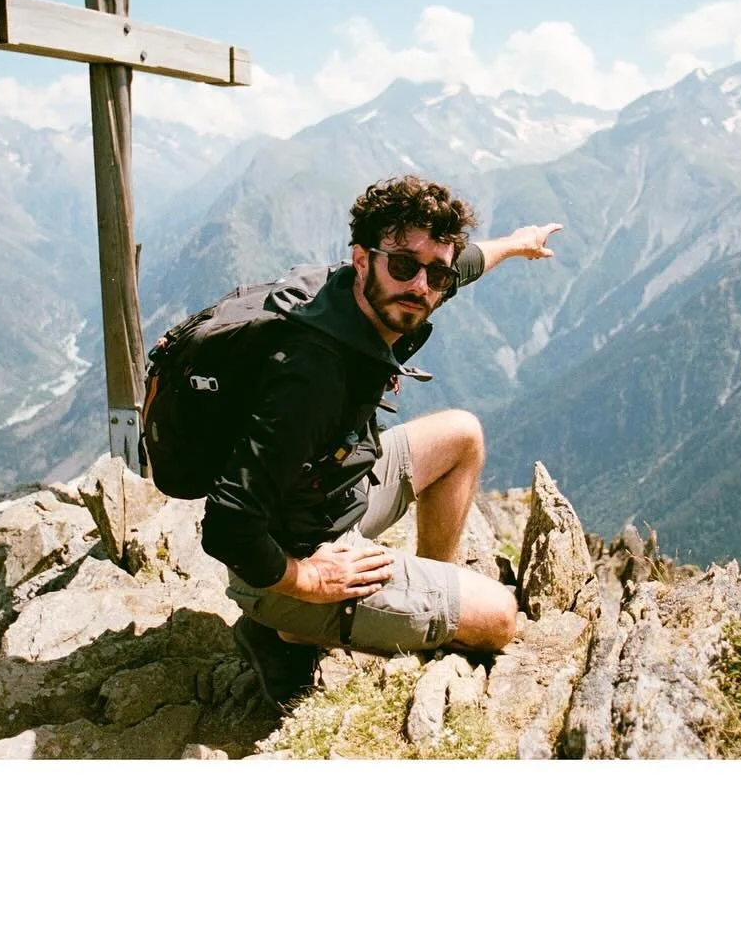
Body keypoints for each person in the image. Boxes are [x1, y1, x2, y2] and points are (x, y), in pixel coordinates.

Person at [200, 174, 563, 706]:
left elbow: (459, 265)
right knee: (499, 619)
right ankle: (287, 629)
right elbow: (227, 525)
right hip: (285, 559)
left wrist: (516, 243)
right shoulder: (312, 376)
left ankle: (429, 593)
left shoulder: (369, 294)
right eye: (403, 266)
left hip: (332, 493)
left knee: (462, 433)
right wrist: (306, 581)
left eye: (434, 273)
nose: (421, 286)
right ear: (363, 258)